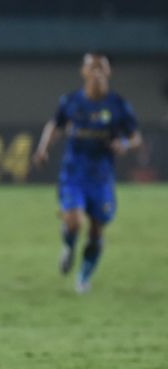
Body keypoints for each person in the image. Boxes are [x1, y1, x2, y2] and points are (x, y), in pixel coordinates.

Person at [32, 52, 143, 293]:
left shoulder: (118, 105)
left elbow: (135, 137)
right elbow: (55, 125)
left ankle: (83, 276)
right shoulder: (71, 102)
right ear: (83, 72)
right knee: (74, 220)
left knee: (96, 230)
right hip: (74, 173)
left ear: (108, 72)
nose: (96, 72)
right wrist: (42, 149)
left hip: (101, 177)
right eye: (91, 67)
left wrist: (124, 144)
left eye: (101, 68)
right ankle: (69, 247)